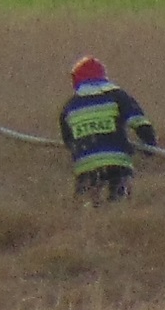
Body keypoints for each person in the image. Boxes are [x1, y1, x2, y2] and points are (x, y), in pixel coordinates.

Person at [59, 55, 159, 205]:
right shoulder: (117, 96)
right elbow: (139, 121)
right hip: (117, 162)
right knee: (118, 204)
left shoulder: (69, 106)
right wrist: (149, 145)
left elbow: (68, 140)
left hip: (85, 165)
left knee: (85, 207)